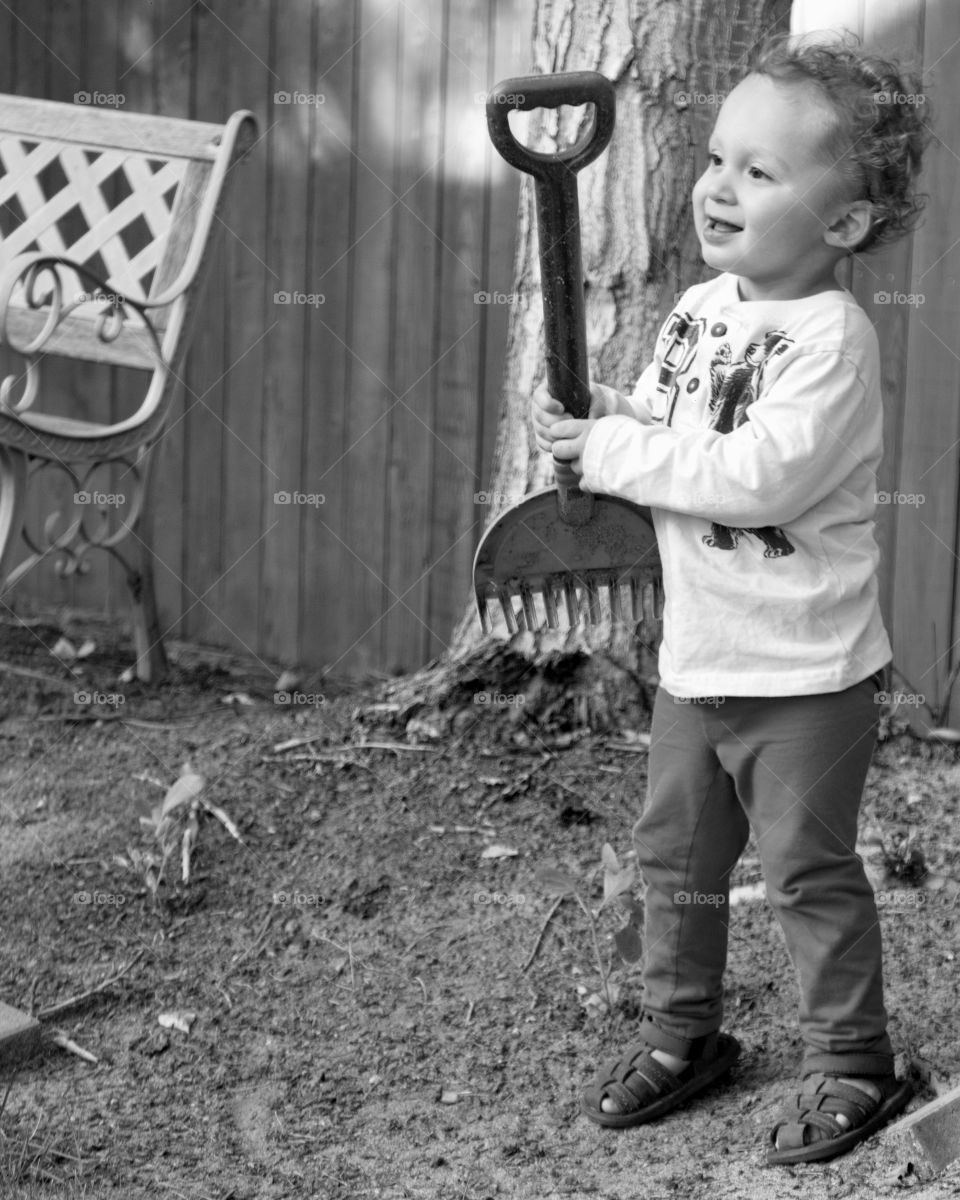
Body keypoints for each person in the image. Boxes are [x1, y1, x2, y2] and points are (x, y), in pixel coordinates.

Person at [531, 33, 929, 1164]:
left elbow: (755, 477)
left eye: (762, 172)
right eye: (717, 158)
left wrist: (617, 451)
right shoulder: (704, 310)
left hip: (805, 674)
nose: (720, 185)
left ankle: (858, 1061)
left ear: (844, 224)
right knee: (679, 860)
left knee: (804, 870)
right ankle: (684, 1034)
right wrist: (590, 410)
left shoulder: (830, 343)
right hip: (699, 660)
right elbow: (665, 436)